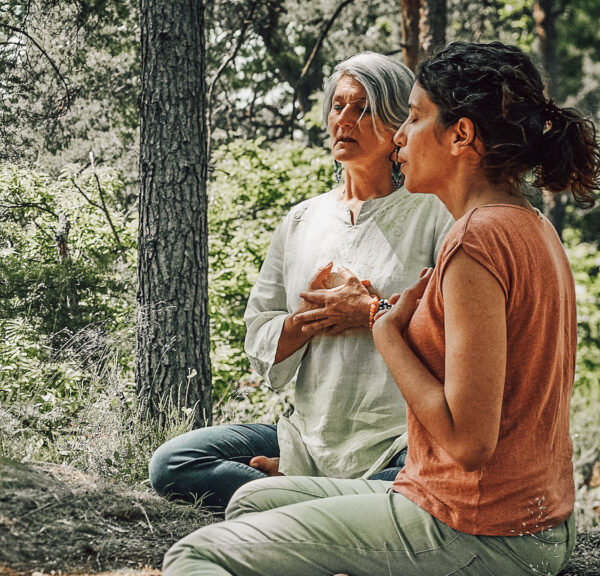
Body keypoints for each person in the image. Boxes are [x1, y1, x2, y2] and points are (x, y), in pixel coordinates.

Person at [163, 41, 599, 576]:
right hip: (515, 519)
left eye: (413, 118)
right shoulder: (530, 225)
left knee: (195, 554)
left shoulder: (472, 241)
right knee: (249, 502)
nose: (399, 136)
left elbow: (469, 443)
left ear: (461, 135)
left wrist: (384, 328)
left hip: (478, 526)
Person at [149, 52, 453, 511]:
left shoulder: (433, 212)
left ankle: (295, 498)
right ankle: (320, 498)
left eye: (363, 107)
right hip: (305, 438)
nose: (344, 119)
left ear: (398, 123)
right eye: (338, 106)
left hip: (399, 443)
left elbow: (455, 328)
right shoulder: (302, 220)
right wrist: (306, 322)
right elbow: (260, 330)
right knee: (173, 463)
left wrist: (371, 313)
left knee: (415, 489)